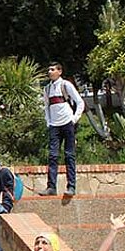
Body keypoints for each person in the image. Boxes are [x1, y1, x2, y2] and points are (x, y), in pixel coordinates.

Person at [41, 62, 84, 197]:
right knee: (53, 155)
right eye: (49, 69)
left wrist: (74, 119)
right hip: (54, 125)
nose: (50, 72)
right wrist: (49, 122)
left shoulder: (66, 85)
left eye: (53, 69)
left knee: (69, 155)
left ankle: (71, 186)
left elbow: (80, 102)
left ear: (59, 71)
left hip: (67, 123)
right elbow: (46, 106)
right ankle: (51, 187)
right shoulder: (47, 89)